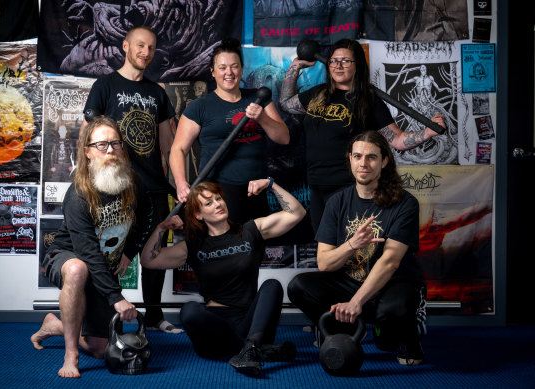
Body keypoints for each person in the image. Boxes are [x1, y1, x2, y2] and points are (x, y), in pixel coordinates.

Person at [287, 130, 428, 366]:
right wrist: (353, 244)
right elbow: (325, 263)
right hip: (351, 281)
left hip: (391, 284)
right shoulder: (337, 202)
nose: (363, 163)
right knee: (299, 286)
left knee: (393, 323)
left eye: (371, 157)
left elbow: (390, 261)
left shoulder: (405, 203)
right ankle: (344, 328)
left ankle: (408, 335)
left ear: (384, 161)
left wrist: (356, 302)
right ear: (350, 159)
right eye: (358, 156)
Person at [140, 178, 306, 377]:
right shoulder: (194, 245)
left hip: (252, 325)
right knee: (190, 311)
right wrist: (160, 229)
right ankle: (252, 350)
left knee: (272, 285)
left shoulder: (251, 231)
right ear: (198, 214)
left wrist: (271, 184)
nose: (218, 204)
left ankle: (250, 348)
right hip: (215, 332)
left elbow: (297, 213)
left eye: (218, 199)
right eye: (208, 203)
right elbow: (149, 261)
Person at [279, 38, 445, 233]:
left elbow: (398, 140)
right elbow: (286, 103)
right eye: (334, 60)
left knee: (352, 250)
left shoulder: (368, 101)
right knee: (325, 248)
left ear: (357, 66)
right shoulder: (317, 94)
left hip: (350, 188)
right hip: (316, 185)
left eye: (346, 61)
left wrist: (427, 133)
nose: (338, 65)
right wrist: (295, 67)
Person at [82, 26, 181, 334]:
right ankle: (103, 318)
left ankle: (153, 316)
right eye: (140, 45)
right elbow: (90, 135)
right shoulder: (105, 85)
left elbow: (170, 144)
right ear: (125, 46)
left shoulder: (157, 93)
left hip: (153, 187)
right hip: (116, 187)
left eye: (151, 47)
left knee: (153, 254)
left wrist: (180, 184)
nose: (145, 52)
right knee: (110, 254)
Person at [30, 116, 142, 378]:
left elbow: (148, 216)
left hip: (100, 267)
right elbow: (88, 252)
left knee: (100, 348)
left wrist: (129, 251)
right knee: (79, 269)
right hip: (69, 257)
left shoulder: (133, 185)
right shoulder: (78, 194)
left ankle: (55, 325)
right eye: (102, 145)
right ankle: (71, 354)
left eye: (115, 143)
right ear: (88, 151)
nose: (111, 150)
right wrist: (116, 297)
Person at [170, 37, 290, 224]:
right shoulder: (199, 107)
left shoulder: (259, 98)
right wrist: (180, 183)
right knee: (222, 248)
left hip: (255, 188)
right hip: (216, 192)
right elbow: (178, 149)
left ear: (242, 69)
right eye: (222, 67)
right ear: (212, 72)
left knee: (254, 247)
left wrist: (262, 118)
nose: (229, 72)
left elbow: (284, 138)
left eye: (234, 66)